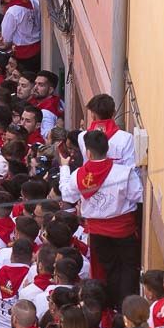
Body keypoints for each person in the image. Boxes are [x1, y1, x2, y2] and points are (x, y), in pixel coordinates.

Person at [59, 128, 143, 307]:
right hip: (124, 229)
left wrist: (64, 167)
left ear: (88, 152)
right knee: (128, 268)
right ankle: (126, 307)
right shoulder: (124, 172)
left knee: (107, 270)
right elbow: (137, 195)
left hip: (98, 233)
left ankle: (110, 308)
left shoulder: (79, 175)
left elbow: (67, 195)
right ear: (107, 148)